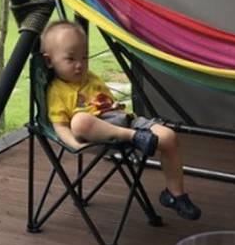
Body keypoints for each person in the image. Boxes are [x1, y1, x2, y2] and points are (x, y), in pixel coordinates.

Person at [40, 20, 202, 221]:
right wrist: (74, 144)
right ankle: (134, 137)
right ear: (49, 61)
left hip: (124, 121)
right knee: (79, 121)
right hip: (98, 132)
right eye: (70, 59)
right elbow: (59, 125)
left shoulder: (89, 77)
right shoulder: (57, 91)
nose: (80, 64)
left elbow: (109, 106)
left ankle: (175, 194)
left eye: (84, 57)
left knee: (169, 137)